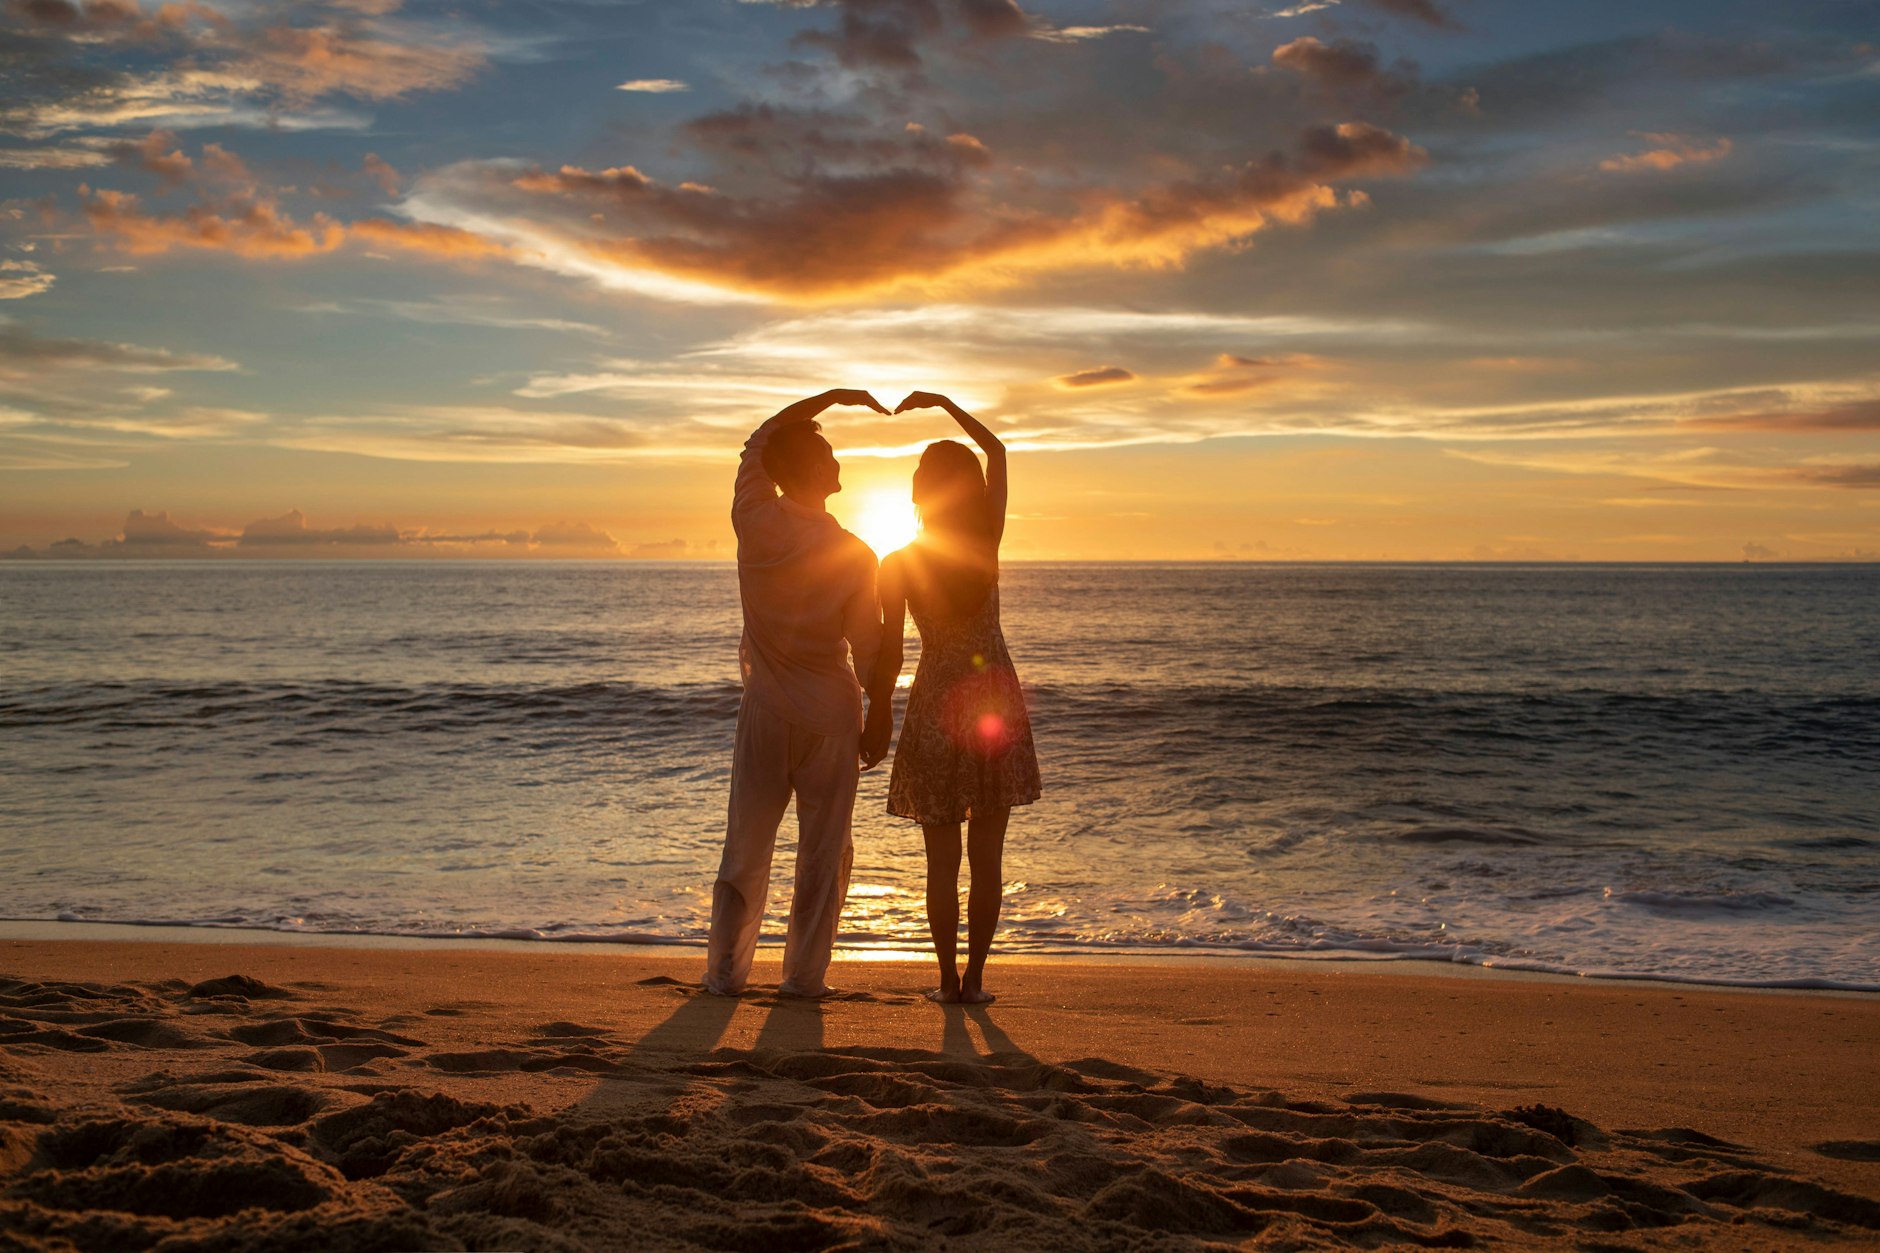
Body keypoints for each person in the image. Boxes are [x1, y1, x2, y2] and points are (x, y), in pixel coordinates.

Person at [704, 388, 892, 998]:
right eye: (828, 451)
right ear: (814, 469)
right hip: (830, 715)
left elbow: (757, 444)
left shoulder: (754, 521)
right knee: (823, 852)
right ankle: (803, 980)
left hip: (764, 711)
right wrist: (881, 711)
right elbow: (868, 649)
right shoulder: (854, 553)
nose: (837, 461)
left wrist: (828, 399)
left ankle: (725, 975)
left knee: (747, 844)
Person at [863, 390, 1041, 1004]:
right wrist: (944, 404)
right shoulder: (985, 543)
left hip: (936, 702)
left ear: (918, 496)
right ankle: (975, 981)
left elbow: (888, 653)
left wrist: (877, 712)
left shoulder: (897, 563)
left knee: (941, 859)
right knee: (986, 855)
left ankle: (944, 981)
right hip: (992, 698)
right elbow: (996, 450)